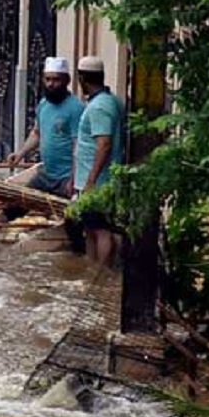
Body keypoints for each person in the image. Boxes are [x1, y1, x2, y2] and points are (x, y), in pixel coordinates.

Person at [72, 55, 126, 267]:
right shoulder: (111, 101)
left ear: (82, 79)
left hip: (98, 182)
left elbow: (104, 144)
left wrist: (91, 181)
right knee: (91, 229)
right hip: (96, 180)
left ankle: (101, 273)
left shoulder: (99, 107)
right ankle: (92, 269)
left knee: (100, 230)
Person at [5, 56, 83, 197]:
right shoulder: (43, 105)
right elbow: (36, 133)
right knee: (19, 202)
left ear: (67, 81)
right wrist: (20, 154)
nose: (51, 84)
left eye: (56, 80)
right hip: (46, 175)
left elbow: (78, 146)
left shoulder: (76, 108)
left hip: (65, 178)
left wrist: (74, 179)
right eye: (47, 79)